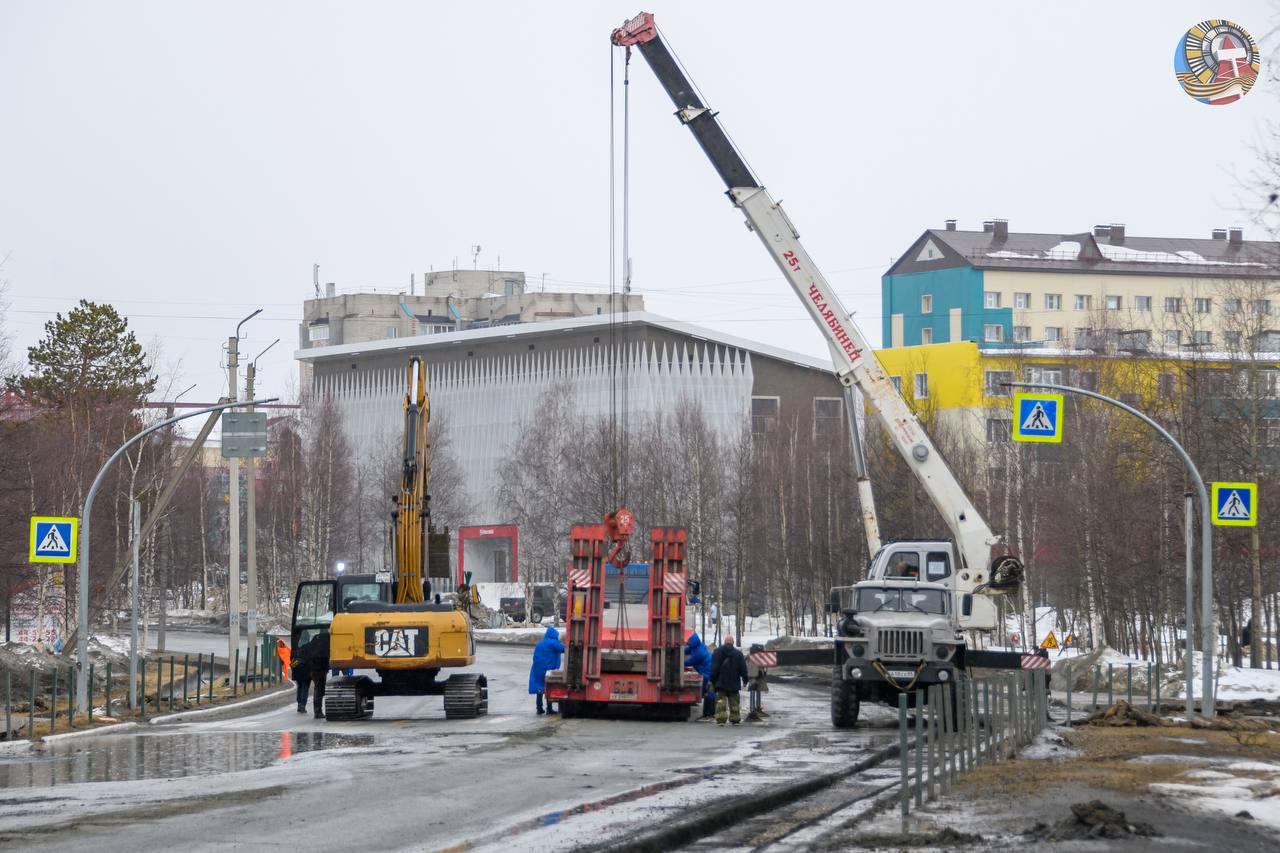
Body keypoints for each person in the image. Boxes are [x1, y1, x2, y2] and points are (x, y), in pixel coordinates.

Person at [709, 635, 749, 726]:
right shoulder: (738, 654)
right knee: (734, 702)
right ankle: (735, 719)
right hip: (734, 683)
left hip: (720, 683)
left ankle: (720, 720)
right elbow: (743, 669)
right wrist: (745, 679)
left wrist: (711, 680)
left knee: (720, 701)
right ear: (733, 642)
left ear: (724, 642)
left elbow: (714, 668)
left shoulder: (717, 652)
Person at [529, 625, 565, 715]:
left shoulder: (540, 643)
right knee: (549, 688)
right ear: (554, 635)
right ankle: (549, 708)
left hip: (537, 669)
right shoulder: (553, 643)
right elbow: (564, 648)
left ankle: (539, 708)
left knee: (539, 688)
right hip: (548, 669)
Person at [297, 630, 330, 719]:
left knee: (309, 688)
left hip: (311, 669)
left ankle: (302, 705)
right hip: (320, 669)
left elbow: (302, 653)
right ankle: (317, 711)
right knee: (318, 690)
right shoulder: (327, 639)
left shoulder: (315, 639)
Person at [684, 631, 714, 720]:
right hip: (707, 672)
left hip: (707, 674)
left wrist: (676, 661)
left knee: (708, 693)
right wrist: (679, 649)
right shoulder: (698, 646)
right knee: (708, 692)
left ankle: (709, 713)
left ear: (693, 643)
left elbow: (689, 662)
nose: (688, 644)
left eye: (689, 643)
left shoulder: (698, 653)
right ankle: (708, 713)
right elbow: (687, 649)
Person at [745, 643, 769, 722]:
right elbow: (752, 670)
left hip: (755, 676)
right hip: (754, 677)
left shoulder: (753, 657)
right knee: (754, 688)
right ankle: (753, 712)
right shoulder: (754, 658)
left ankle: (756, 710)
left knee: (756, 689)